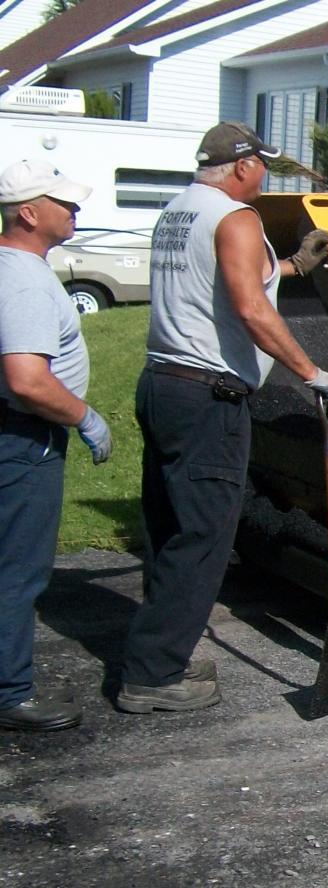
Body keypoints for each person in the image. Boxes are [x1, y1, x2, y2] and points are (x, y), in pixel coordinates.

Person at [116, 122, 328, 714]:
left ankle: (160, 651)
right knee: (203, 536)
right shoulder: (237, 219)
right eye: (261, 165)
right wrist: (310, 372)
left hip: (162, 385)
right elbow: (248, 307)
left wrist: (291, 265)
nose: (264, 176)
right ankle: (154, 676)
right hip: (207, 398)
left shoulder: (179, 210)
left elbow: (217, 284)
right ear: (242, 166)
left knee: (169, 526)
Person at [0, 160, 113, 733]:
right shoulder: (20, 278)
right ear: (28, 212)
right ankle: (9, 692)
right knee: (18, 569)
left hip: (16, 434)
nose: (74, 211)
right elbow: (26, 378)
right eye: (63, 204)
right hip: (22, 438)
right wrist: (84, 415)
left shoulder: (14, 268)